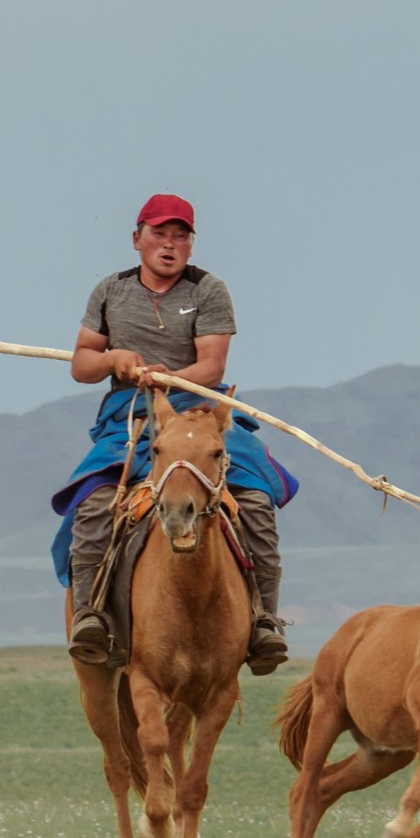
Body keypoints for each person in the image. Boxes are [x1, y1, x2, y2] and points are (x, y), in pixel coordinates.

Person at [50, 193, 297, 675]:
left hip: (200, 411)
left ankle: (264, 620)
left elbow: (212, 364)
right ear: (137, 238)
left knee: (255, 499)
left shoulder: (208, 289)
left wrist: (169, 375)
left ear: (190, 243)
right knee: (95, 500)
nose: (169, 243)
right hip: (131, 416)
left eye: (180, 235)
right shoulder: (109, 291)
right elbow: (82, 363)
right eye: (160, 233)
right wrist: (112, 360)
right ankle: (91, 614)